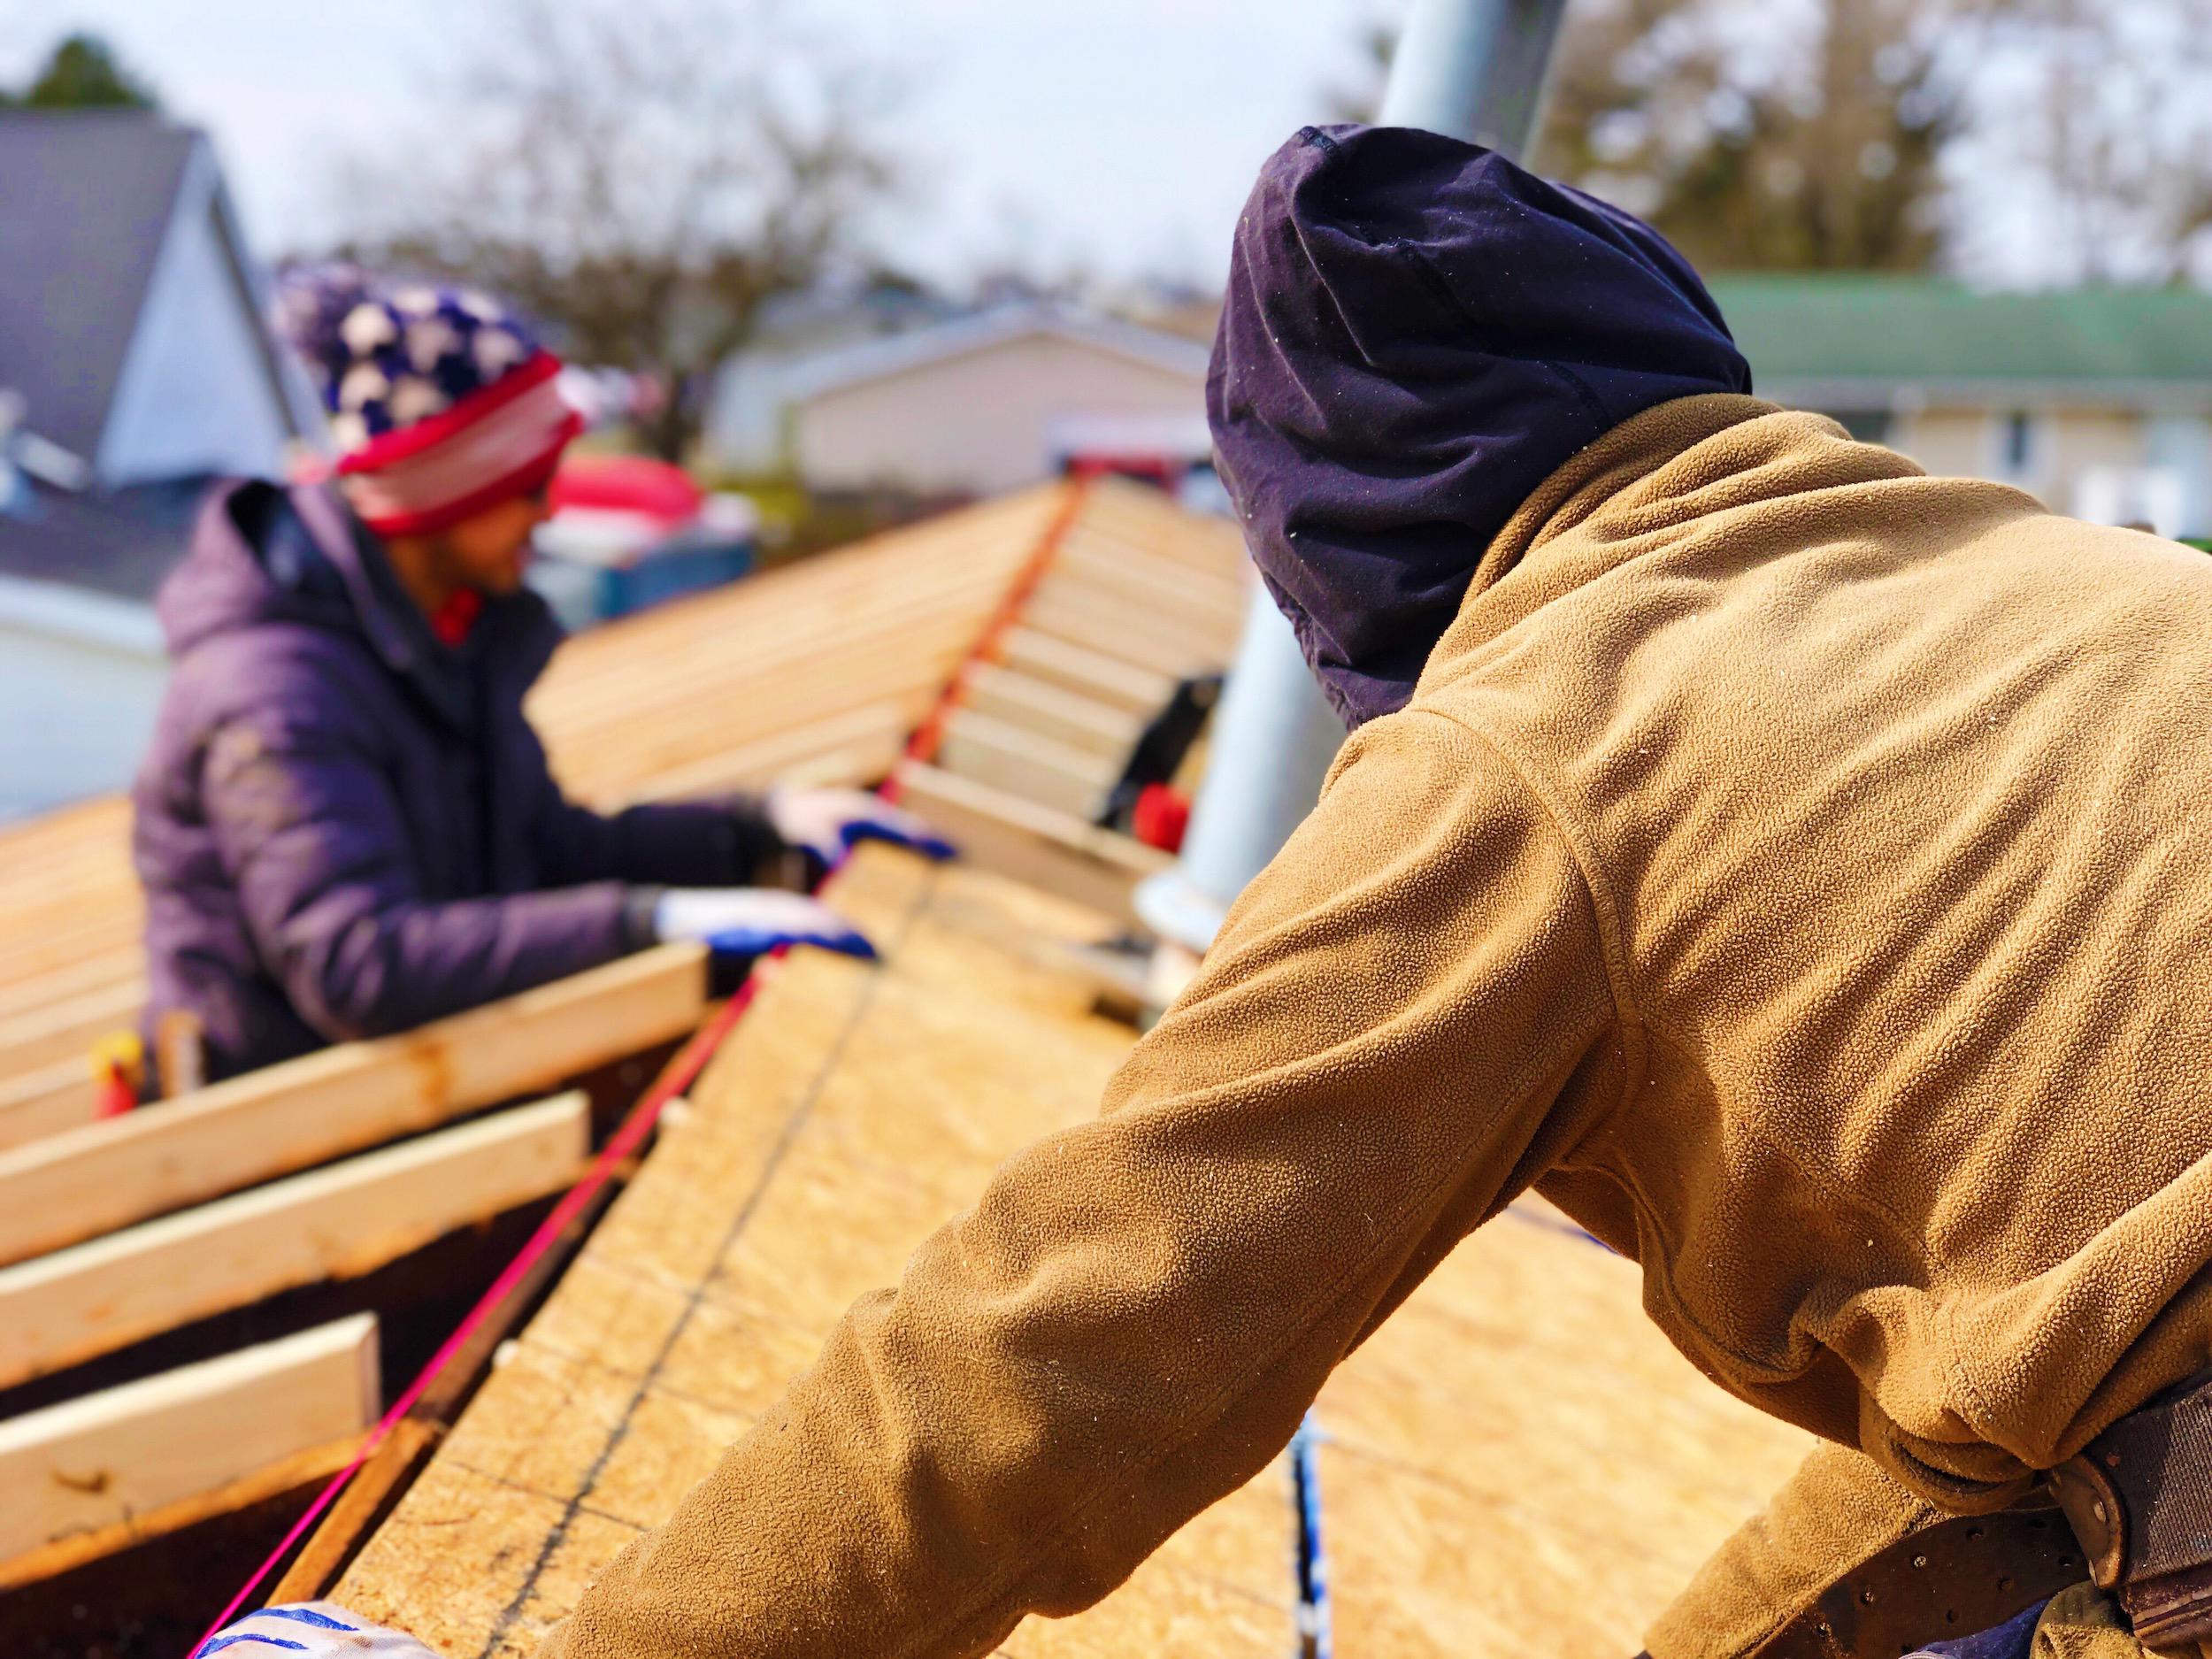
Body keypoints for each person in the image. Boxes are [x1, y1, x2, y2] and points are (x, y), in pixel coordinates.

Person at [202, 127, 2212, 1659]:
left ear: (1353, 544)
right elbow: (2016, 1409)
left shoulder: (1545, 737)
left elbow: (1066, 1339)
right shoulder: (2062, 576)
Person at [133, 267, 946, 1089]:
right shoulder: (275, 691)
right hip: (283, 1133)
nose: (550, 511)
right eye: (528, 485)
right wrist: (650, 926)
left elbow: (541, 850)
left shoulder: (440, 630)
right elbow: (356, 963)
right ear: (441, 493)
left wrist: (757, 826)